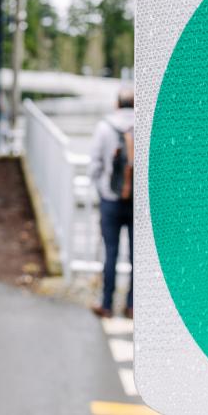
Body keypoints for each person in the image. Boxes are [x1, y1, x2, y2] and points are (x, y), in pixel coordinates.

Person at [87, 88, 136, 320]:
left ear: (117, 104)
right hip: (138, 203)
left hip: (110, 200)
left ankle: (106, 304)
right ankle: (132, 305)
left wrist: (102, 189)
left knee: (111, 253)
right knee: (137, 256)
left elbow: (94, 166)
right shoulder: (145, 126)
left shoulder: (104, 127)